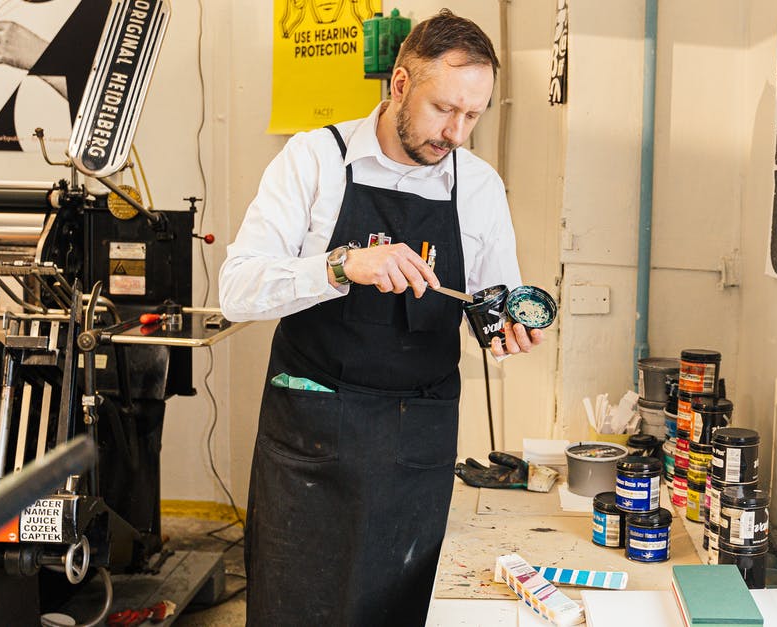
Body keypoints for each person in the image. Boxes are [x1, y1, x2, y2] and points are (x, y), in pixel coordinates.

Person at [219, 9, 543, 625]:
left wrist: (506, 326)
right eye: (444, 109)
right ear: (399, 84)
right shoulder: (313, 160)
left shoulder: (478, 187)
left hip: (415, 436)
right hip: (312, 431)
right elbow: (237, 290)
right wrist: (341, 268)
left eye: (473, 115)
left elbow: (495, 301)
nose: (456, 133)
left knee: (396, 609)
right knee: (296, 604)